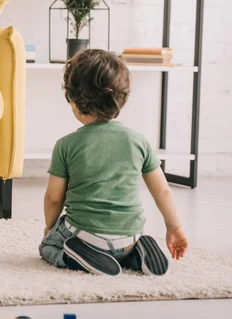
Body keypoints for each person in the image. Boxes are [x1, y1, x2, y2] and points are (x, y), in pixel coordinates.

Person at [38, 49, 188, 276]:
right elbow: (163, 192)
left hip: (85, 236)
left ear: (75, 100)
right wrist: (174, 227)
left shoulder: (66, 145)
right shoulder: (139, 142)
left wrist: (50, 227)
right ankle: (136, 252)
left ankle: (76, 256)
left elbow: (54, 197)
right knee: (125, 244)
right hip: (129, 236)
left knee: (48, 246)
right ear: (122, 97)